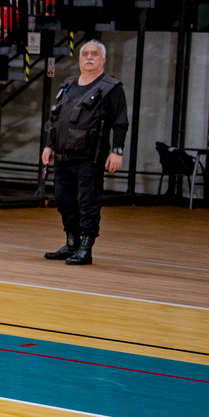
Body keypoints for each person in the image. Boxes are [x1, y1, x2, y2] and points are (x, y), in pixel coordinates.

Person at [41, 40, 129, 266]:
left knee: (88, 202)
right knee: (64, 200)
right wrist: (49, 145)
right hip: (62, 157)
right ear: (79, 59)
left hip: (89, 158)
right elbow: (55, 118)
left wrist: (117, 151)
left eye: (94, 54)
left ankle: (85, 249)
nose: (89, 57)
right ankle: (71, 243)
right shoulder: (69, 84)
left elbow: (120, 122)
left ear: (103, 59)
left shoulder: (111, 88)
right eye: (85, 54)